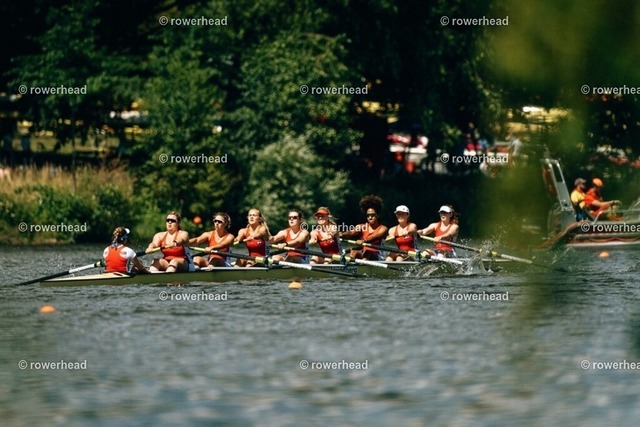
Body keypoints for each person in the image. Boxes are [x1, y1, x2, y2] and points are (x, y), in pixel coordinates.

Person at [340, 195, 388, 260]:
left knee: (368, 252)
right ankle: (352, 265)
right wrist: (341, 234)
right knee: (354, 251)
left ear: (378, 215)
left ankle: (362, 263)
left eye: (372, 215)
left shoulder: (383, 228)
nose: (370, 217)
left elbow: (374, 237)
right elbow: (351, 232)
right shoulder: (361, 226)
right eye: (368, 215)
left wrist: (363, 241)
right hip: (365, 254)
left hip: (378, 256)